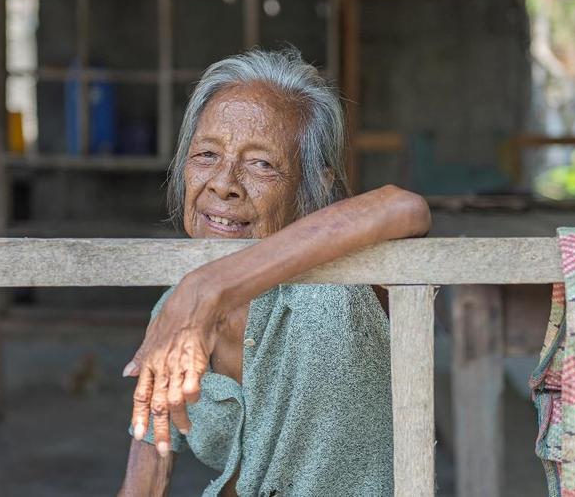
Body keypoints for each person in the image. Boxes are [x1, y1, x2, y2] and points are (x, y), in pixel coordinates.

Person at [117, 49, 431, 497]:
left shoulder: (346, 280)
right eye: (206, 154)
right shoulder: (177, 308)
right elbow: (146, 473)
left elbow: (406, 208)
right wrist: (198, 293)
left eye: (261, 163)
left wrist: (212, 286)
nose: (223, 183)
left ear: (315, 184)